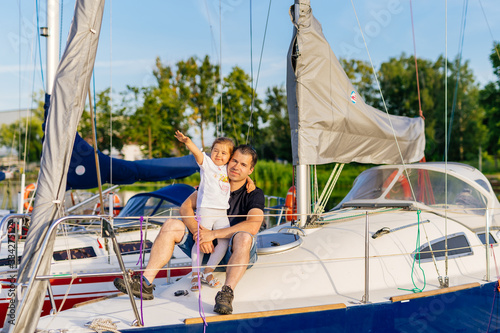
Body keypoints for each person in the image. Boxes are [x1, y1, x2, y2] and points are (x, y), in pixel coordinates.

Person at [113, 145, 265, 315]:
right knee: (171, 225)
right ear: (228, 161)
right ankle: (145, 283)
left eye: (243, 165)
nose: (237, 167)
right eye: (234, 161)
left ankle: (226, 293)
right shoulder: (213, 182)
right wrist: (198, 234)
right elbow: (185, 207)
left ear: (250, 170)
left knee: (244, 236)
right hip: (205, 248)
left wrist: (212, 235)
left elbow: (253, 225)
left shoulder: (254, 194)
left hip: (234, 254)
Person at [174, 130, 253, 291]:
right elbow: (197, 153)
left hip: (221, 213)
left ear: (230, 158)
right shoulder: (207, 165)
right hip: (206, 211)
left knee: (224, 240)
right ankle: (195, 274)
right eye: (215, 150)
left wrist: (250, 180)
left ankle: (208, 270)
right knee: (200, 240)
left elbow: (241, 173)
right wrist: (188, 142)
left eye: (223, 153)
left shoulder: (227, 169)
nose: (218, 155)